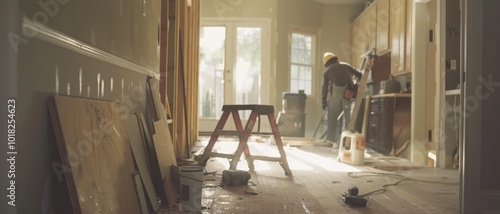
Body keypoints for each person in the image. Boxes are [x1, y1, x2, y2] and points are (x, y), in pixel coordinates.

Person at [321, 52, 362, 145]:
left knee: (332, 119)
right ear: (335, 59)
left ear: (327, 63)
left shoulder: (327, 70)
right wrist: (354, 85)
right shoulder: (346, 66)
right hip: (347, 92)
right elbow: (359, 75)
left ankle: (330, 141)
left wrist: (323, 102)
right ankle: (347, 143)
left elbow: (324, 88)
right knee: (348, 119)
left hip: (335, 93)